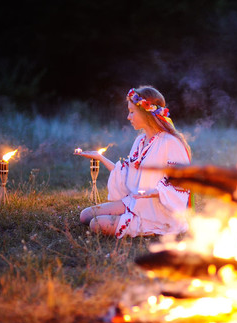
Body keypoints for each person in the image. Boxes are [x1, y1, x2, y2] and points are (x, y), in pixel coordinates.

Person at [76, 85, 192, 238]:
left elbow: (182, 181)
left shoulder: (170, 142)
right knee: (85, 215)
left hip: (157, 211)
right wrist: (100, 158)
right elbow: (127, 174)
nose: (128, 117)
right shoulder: (140, 140)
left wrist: (155, 192)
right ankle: (129, 216)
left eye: (132, 112)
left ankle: (150, 227)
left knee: (95, 224)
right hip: (135, 202)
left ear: (146, 113)